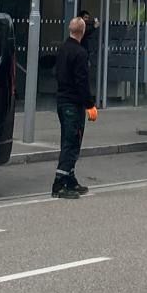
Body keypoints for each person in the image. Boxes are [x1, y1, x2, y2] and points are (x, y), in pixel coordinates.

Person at [52, 16, 97, 198]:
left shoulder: (62, 49)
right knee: (72, 144)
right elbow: (82, 81)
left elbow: (57, 73)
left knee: (67, 140)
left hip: (62, 101)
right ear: (83, 32)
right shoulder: (80, 53)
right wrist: (90, 104)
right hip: (73, 104)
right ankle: (59, 184)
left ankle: (70, 179)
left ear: (70, 30)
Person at [79, 8, 100, 95]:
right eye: (85, 17)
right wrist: (94, 27)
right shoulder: (80, 27)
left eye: (88, 18)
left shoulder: (84, 27)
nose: (87, 20)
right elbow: (86, 32)